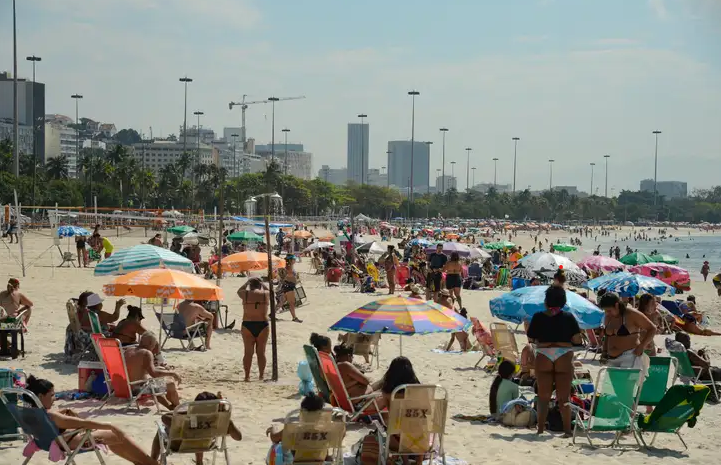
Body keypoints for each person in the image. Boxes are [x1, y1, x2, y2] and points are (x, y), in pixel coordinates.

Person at [24, 375, 159, 465]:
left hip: (50, 442)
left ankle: (141, 463)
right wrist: (109, 426)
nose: (54, 398)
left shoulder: (29, 413)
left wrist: (62, 412)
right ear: (41, 396)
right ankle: (151, 463)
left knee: (113, 438)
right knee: (117, 434)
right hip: (73, 442)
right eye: (52, 395)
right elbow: (83, 423)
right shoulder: (53, 416)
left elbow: (54, 419)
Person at [526, 283, 582, 436]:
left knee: (543, 396)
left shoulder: (538, 316)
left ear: (546, 301)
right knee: (564, 397)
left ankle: (540, 429)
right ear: (563, 301)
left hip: (544, 352)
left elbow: (531, 337)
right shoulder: (568, 317)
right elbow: (577, 339)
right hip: (563, 353)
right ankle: (567, 431)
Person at [151, 390, 242, 464]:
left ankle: (152, 461)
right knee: (201, 432)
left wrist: (185, 414)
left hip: (178, 446)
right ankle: (199, 462)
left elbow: (164, 417)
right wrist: (227, 419)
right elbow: (238, 437)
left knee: (160, 431)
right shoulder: (219, 420)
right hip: (206, 445)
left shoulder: (187, 418)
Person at [599, 292, 656, 377]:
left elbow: (652, 328)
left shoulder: (631, 314)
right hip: (611, 359)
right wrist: (604, 351)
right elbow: (608, 336)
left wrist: (642, 346)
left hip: (629, 356)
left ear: (617, 305)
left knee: (626, 389)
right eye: (605, 311)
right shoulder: (608, 317)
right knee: (614, 390)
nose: (607, 313)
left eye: (609, 310)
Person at [123, 332, 182, 410]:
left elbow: (138, 368)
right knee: (170, 384)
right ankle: (178, 408)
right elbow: (154, 373)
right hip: (137, 389)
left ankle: (170, 407)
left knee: (154, 384)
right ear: (150, 343)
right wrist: (172, 373)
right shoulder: (146, 353)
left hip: (124, 387)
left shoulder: (128, 351)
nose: (154, 347)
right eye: (154, 345)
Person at [237, 278, 270, 381]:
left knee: (248, 353)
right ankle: (261, 375)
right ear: (259, 286)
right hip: (262, 324)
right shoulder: (265, 294)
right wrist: (262, 284)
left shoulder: (245, 294)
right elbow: (271, 292)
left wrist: (247, 282)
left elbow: (239, 290)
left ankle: (247, 376)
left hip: (248, 324)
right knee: (261, 352)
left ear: (250, 286)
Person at [277, 255, 302, 323]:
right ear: (290, 260)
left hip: (288, 286)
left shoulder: (288, 266)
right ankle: (294, 317)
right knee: (291, 303)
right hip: (289, 286)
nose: (295, 260)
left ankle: (271, 314)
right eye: (294, 259)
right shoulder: (288, 267)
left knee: (281, 302)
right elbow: (285, 277)